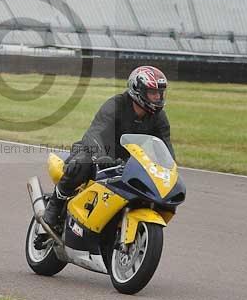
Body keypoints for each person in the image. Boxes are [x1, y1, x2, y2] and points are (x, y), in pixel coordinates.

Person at [41, 65, 175, 232]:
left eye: (160, 93)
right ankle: (55, 204)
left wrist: (170, 170)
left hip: (127, 162)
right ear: (137, 90)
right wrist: (100, 157)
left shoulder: (158, 117)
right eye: (153, 92)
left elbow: (165, 146)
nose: (158, 97)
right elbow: (95, 132)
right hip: (95, 151)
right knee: (82, 162)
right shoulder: (115, 105)